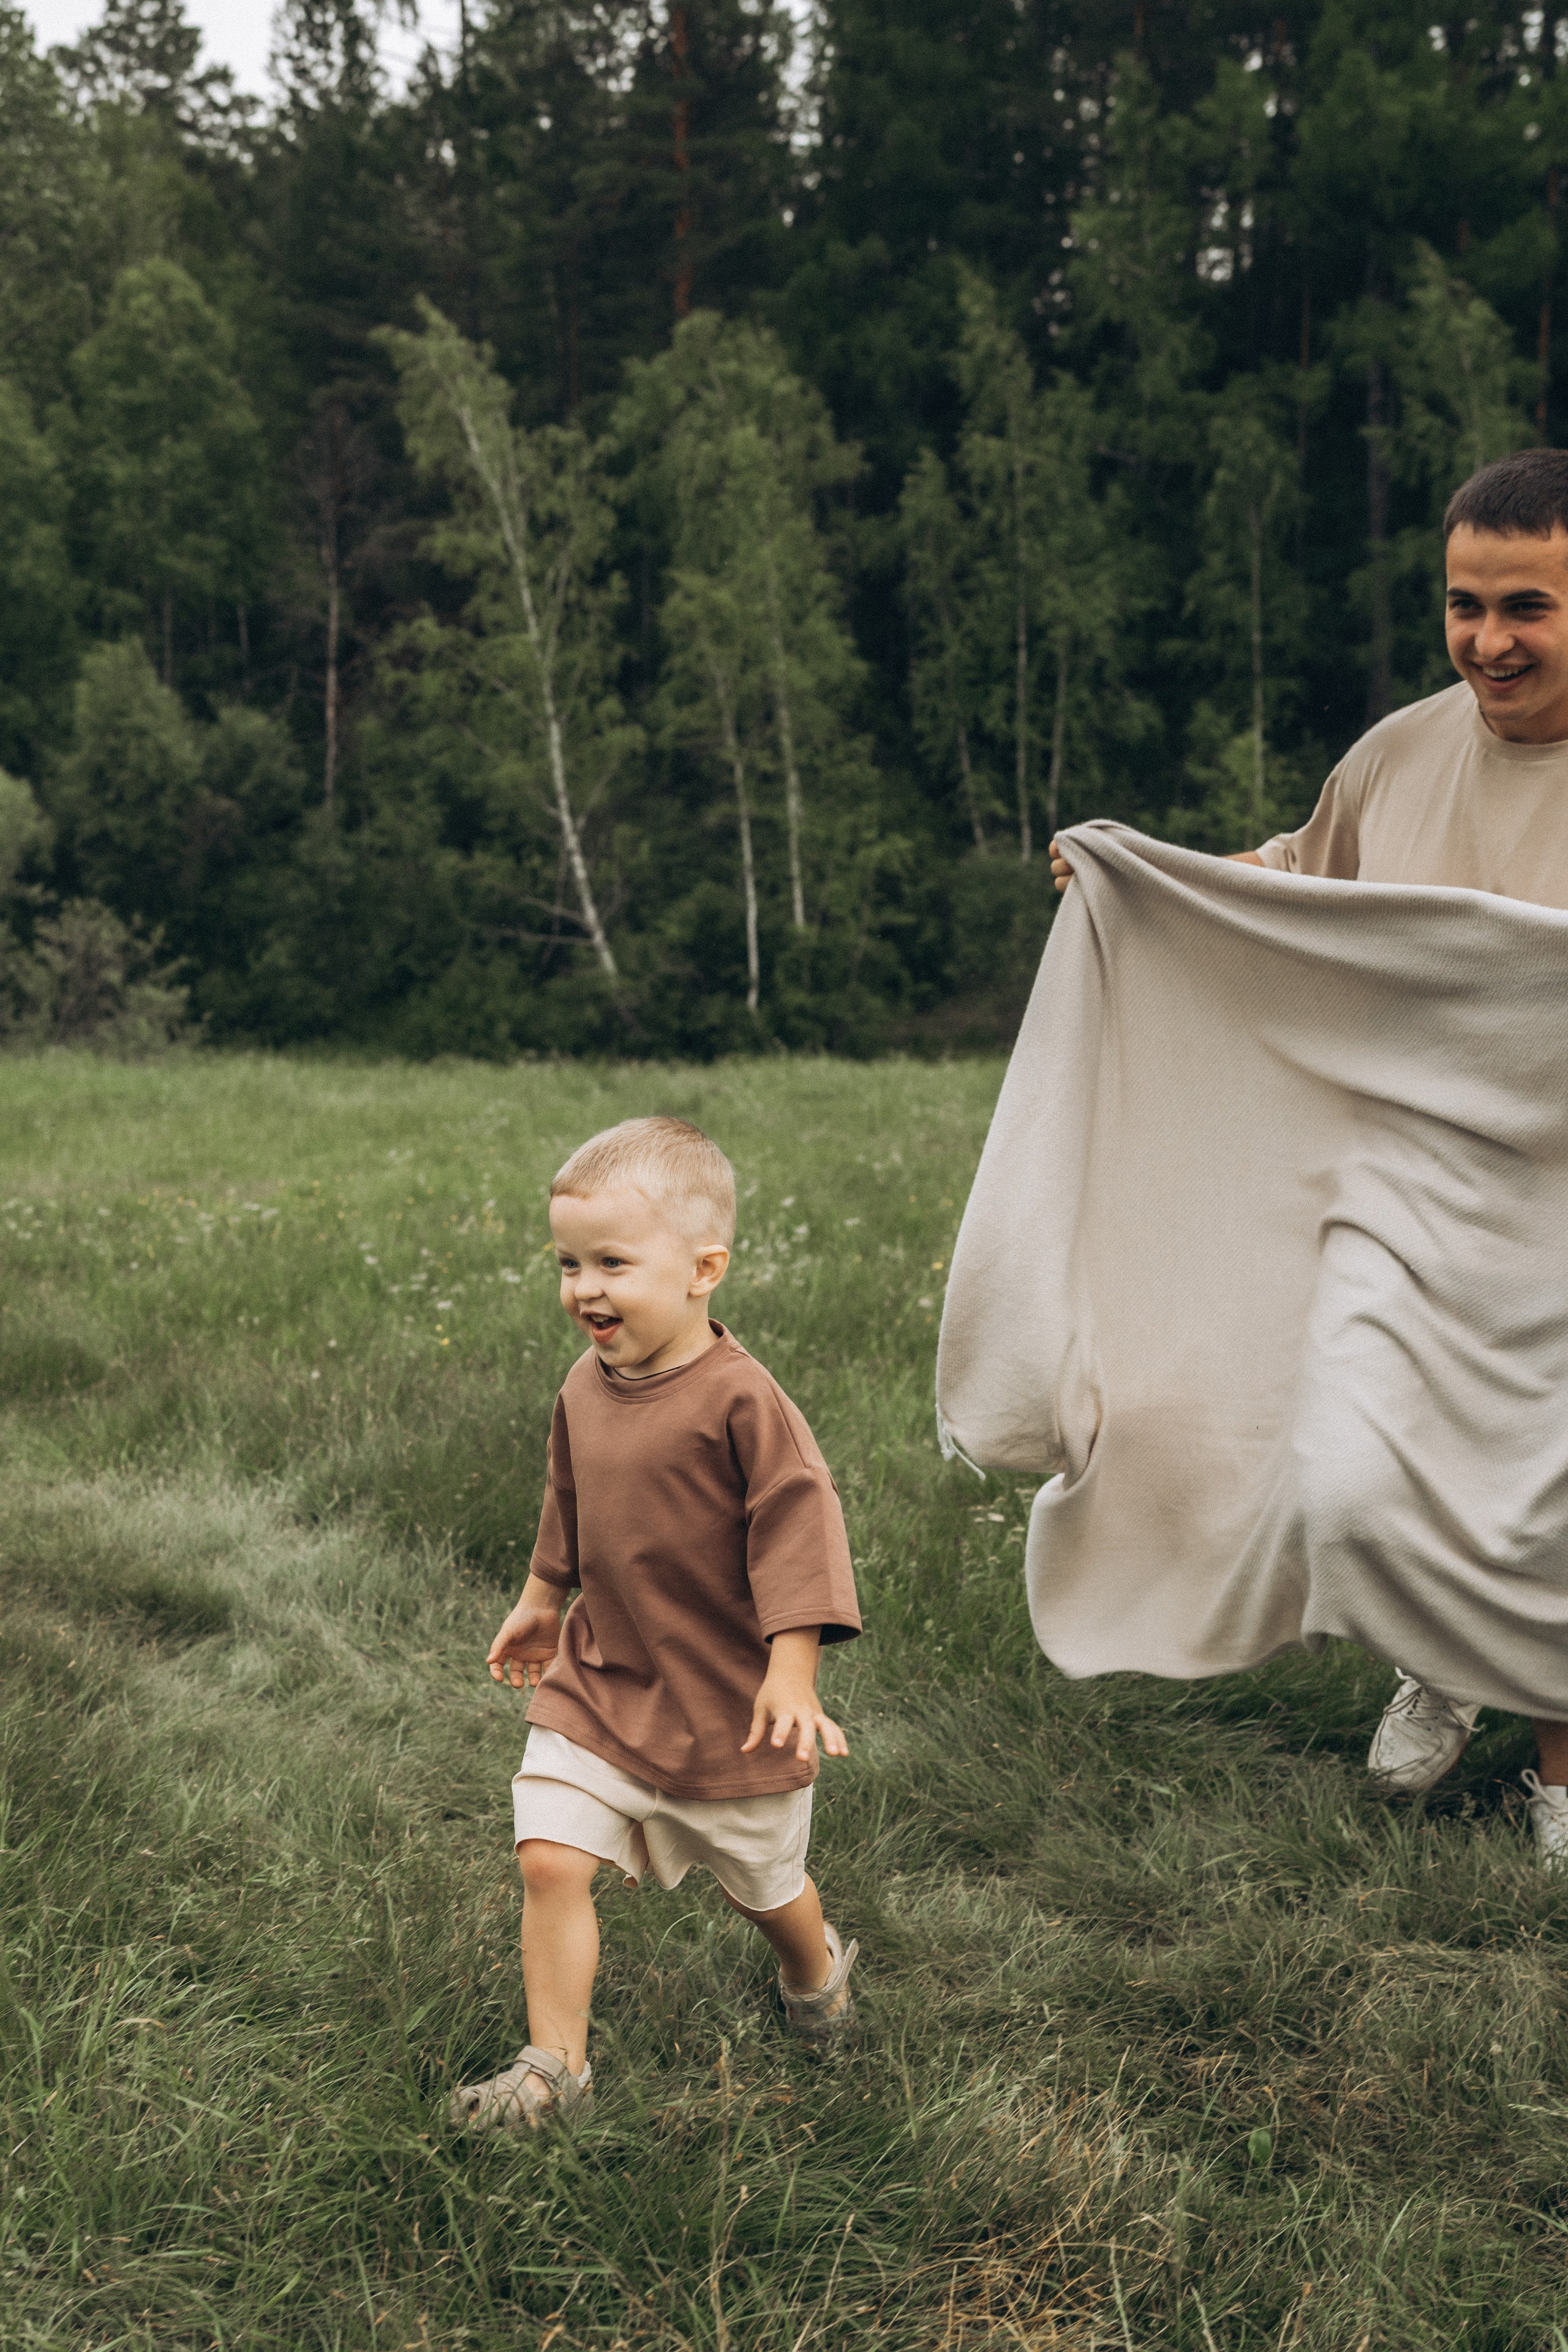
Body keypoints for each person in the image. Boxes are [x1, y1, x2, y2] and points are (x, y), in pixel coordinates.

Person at [1048, 445, 1568, 1863]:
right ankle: (1442, 1653)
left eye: (1526, 606)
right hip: (1400, 1194)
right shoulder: (1398, 750)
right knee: (1347, 1465)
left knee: (1552, 1498)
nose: (1487, 640)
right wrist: (1142, 885)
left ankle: (1558, 1774)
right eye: (1463, 605)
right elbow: (1293, 881)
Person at [448, 1114, 862, 2132]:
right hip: (605, 1675)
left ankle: (815, 1973)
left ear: (702, 1268)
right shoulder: (585, 1387)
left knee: (763, 1891)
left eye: (613, 1262)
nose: (585, 1287)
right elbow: (570, 1496)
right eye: (568, 1262)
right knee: (548, 1855)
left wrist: (793, 1672)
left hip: (727, 1703)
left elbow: (800, 1531)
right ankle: (554, 2076)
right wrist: (544, 1601)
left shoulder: (742, 1403)